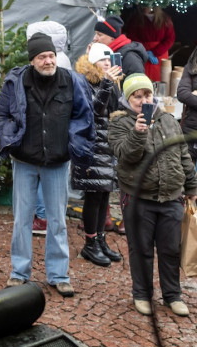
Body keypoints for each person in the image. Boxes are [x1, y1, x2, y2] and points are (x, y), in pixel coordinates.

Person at [0, 33, 94, 297]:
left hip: (57, 162)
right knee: (22, 220)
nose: (48, 61)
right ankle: (19, 272)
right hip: (24, 160)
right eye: (42, 57)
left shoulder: (71, 81)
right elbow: (0, 114)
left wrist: (73, 141)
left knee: (57, 220)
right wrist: (10, 136)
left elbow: (84, 115)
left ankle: (59, 275)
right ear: (32, 60)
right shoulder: (17, 82)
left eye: (51, 56)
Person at [109, 75, 195, 317]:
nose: (143, 100)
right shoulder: (119, 123)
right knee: (141, 250)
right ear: (128, 99)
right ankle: (142, 294)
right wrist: (138, 132)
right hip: (138, 199)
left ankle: (172, 295)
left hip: (171, 197)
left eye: (147, 94)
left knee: (171, 249)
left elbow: (183, 154)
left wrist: (192, 187)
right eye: (137, 96)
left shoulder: (168, 119)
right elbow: (125, 156)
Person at [72, 42, 123, 267]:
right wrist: (107, 83)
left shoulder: (110, 81)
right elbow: (92, 111)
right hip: (92, 147)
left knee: (104, 195)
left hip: (108, 147)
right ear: (93, 61)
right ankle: (90, 243)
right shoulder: (84, 82)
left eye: (109, 59)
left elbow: (116, 110)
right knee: (93, 196)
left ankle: (100, 239)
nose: (107, 63)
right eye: (103, 59)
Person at [125, 5, 175, 83]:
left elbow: (170, 39)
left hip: (160, 55)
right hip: (142, 54)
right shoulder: (135, 19)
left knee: (160, 80)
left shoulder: (165, 19)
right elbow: (132, 36)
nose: (145, 7)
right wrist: (143, 51)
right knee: (143, 80)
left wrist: (155, 52)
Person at [177, 46, 197, 164]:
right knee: (186, 169)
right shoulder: (191, 68)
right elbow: (182, 94)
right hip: (189, 130)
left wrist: (193, 95)